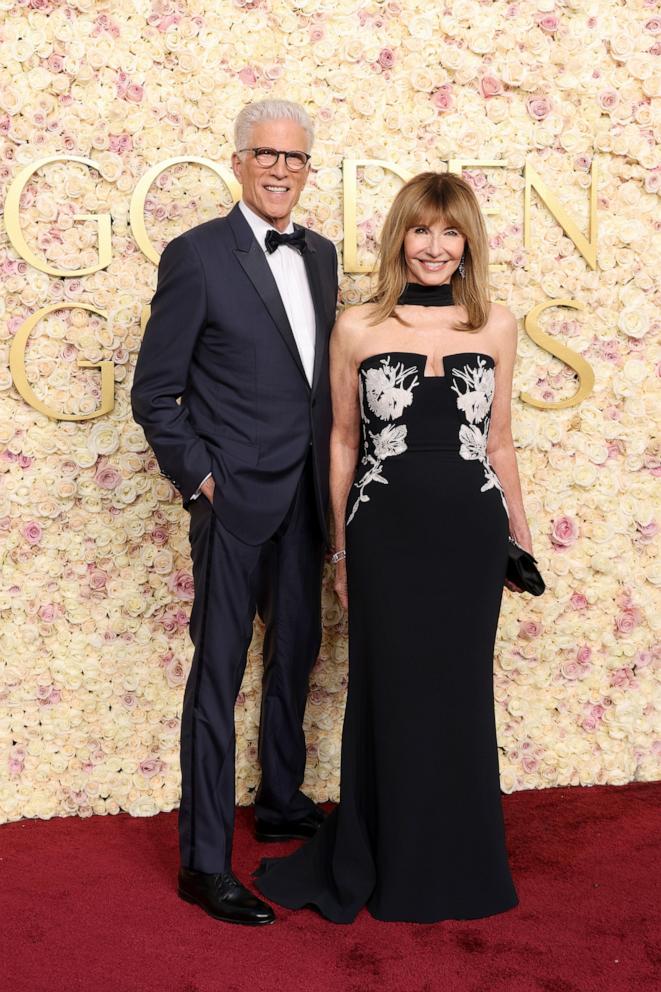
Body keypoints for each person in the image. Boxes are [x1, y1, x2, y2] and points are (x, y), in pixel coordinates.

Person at [254, 171, 532, 924]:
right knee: (390, 690)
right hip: (384, 535)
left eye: (448, 232)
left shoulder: (497, 324)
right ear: (399, 237)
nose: (434, 247)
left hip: (470, 536)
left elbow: (498, 441)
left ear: (467, 240)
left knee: (460, 692)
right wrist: (340, 549)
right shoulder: (358, 327)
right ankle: (389, 853)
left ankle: (460, 858)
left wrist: (520, 533)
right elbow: (343, 441)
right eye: (420, 230)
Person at [131, 100, 338, 926]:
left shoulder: (320, 255)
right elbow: (155, 392)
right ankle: (203, 862)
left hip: (304, 499)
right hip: (233, 498)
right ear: (238, 160)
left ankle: (283, 802)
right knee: (216, 676)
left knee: (298, 654)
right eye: (266, 154)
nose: (281, 169)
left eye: (294, 158)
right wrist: (202, 480)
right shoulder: (196, 255)